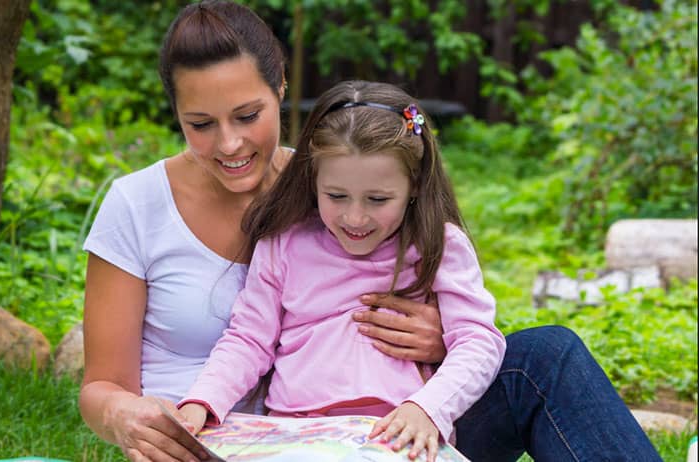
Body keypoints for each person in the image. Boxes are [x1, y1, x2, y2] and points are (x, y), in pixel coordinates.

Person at [79, 1, 662, 461]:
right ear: (175, 114)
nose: (229, 144)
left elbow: (469, 330)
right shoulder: (145, 205)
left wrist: (439, 344)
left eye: (248, 115)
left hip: (398, 421)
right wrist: (154, 414)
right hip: (246, 436)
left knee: (548, 354)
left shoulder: (331, 179)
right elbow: (117, 381)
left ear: (281, 86)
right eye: (200, 124)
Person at [177, 80, 506, 462]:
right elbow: (249, 339)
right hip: (293, 435)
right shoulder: (285, 242)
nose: (354, 217)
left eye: (378, 199)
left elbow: (478, 340)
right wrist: (202, 400)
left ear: (414, 184)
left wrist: (428, 408)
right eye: (336, 196)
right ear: (312, 178)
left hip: (395, 432)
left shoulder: (438, 244)